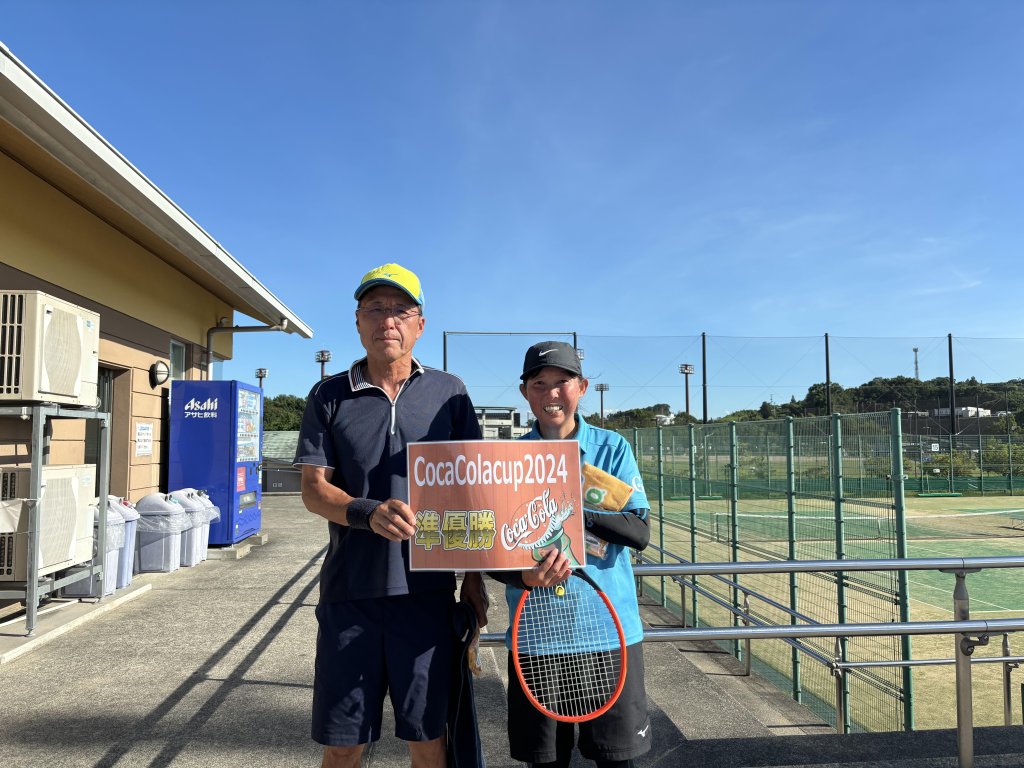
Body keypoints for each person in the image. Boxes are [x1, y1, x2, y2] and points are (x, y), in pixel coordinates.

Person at [294, 262, 487, 768]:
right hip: (349, 596)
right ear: (358, 322)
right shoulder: (328, 395)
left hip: (427, 598)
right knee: (343, 744)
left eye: (401, 310)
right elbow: (314, 490)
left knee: (428, 741)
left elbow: (472, 492)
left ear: (420, 325)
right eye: (375, 308)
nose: (388, 320)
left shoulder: (450, 392)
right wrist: (365, 512)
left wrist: (473, 580)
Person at [496, 340, 652, 768]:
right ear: (525, 392)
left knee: (618, 761)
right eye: (538, 383)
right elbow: (493, 555)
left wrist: (572, 506)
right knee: (546, 762)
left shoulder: (611, 448)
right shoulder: (508, 461)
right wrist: (525, 578)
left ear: (581, 387)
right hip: (536, 639)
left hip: (610, 635)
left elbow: (639, 532)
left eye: (562, 382)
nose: (551, 393)